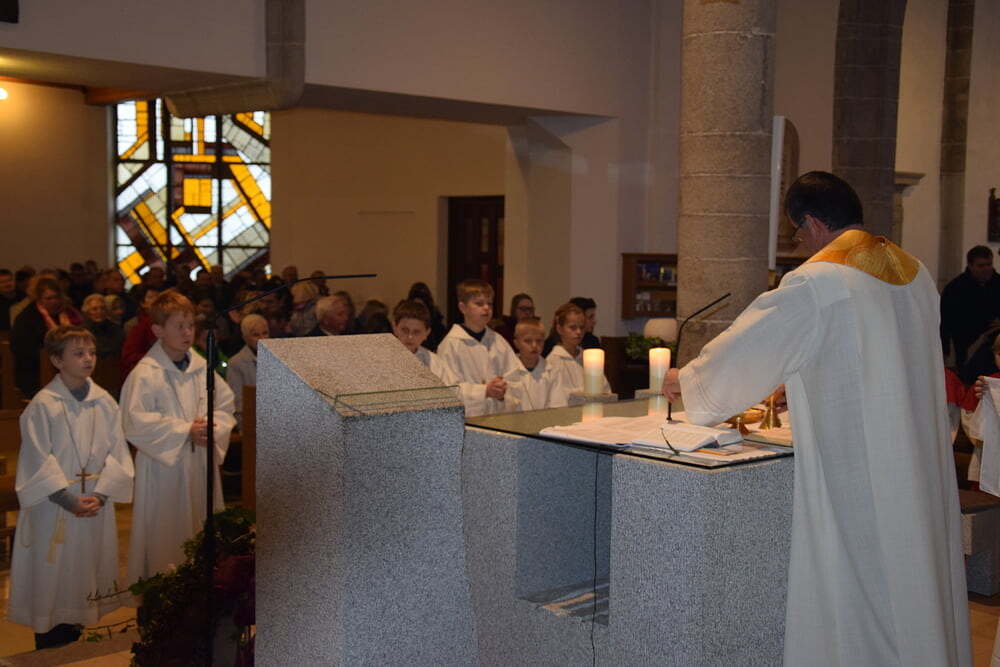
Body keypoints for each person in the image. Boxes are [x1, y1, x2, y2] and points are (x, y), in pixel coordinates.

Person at [662, 171, 971, 665]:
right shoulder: (915, 272)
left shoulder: (819, 279)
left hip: (862, 470)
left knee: (862, 587)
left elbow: (747, 350)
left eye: (796, 233)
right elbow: (876, 360)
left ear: (811, 223)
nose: (801, 244)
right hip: (915, 464)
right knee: (916, 580)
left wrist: (690, 378)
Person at [7, 327, 134, 649]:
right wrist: (67, 499)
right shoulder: (43, 405)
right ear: (56, 360)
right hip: (54, 510)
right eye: (78, 353)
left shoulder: (104, 402)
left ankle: (75, 646)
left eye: (91, 352)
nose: (88, 359)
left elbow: (118, 453)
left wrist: (101, 494)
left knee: (81, 581)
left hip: (93, 505)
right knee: (53, 581)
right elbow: (36, 458)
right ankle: (49, 647)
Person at [120, 291, 236, 582]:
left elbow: (225, 405)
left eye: (190, 325)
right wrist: (184, 430)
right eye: (179, 326)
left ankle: (203, 591)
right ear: (158, 330)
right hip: (164, 469)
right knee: (166, 535)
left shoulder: (201, 368)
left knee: (201, 527)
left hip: (200, 463)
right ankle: (164, 593)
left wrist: (211, 427)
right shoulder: (145, 374)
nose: (187, 333)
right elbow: (133, 421)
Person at [437, 279, 519, 416]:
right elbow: (447, 390)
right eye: (479, 304)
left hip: (498, 418)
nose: (486, 308)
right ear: (463, 308)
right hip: (466, 421)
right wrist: (484, 391)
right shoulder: (450, 344)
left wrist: (502, 392)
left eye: (489, 303)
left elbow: (516, 380)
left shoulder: (499, 342)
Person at [11, 277, 83, 397]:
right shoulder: (27, 318)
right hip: (36, 373)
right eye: (49, 298)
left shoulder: (67, 314)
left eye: (56, 297)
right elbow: (21, 348)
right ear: (39, 299)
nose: (54, 301)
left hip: (66, 370)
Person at [941, 245, 1000, 368]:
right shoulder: (955, 288)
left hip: (995, 345)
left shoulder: (998, 283)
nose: (986, 269)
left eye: (989, 264)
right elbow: (945, 321)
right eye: (981, 266)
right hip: (966, 347)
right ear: (970, 265)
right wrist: (945, 350)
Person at [545, 303, 611, 408]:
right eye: (573, 327)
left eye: (582, 327)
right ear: (560, 329)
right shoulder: (553, 361)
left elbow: (605, 390)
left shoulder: (589, 358)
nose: (578, 332)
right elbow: (555, 401)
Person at [391, 299, 460, 385]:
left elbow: (453, 388)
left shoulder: (435, 364)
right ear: (395, 328)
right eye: (405, 330)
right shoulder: (380, 359)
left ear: (427, 333)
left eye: (416, 332)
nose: (410, 336)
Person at [226, 313, 269, 429]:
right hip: (249, 421)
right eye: (256, 335)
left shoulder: (277, 358)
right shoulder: (236, 363)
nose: (262, 339)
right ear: (245, 338)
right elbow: (238, 402)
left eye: (265, 333)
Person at [503, 317, 553, 412]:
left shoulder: (552, 370)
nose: (534, 345)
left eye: (539, 341)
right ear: (516, 343)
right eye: (528, 341)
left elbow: (558, 404)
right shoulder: (508, 371)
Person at [120, 286, 162, 381]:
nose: (156, 300)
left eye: (158, 296)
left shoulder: (164, 322)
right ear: (143, 303)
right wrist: (156, 356)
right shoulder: (137, 325)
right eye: (151, 297)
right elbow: (129, 356)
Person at [82, 293, 123, 360]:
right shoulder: (82, 332)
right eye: (94, 309)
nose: (99, 311)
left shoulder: (115, 329)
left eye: (102, 308)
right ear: (87, 312)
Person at [407, 282, 446, 351]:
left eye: (421, 307)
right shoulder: (406, 322)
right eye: (416, 307)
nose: (418, 312)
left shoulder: (437, 326)